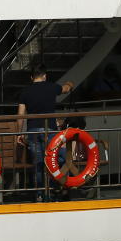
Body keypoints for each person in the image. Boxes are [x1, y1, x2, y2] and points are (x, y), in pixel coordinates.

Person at [16, 65, 73, 200]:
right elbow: (65, 89)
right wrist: (70, 84)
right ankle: (53, 189)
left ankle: (40, 194)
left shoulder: (25, 92)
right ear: (45, 76)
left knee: (38, 164)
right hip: (50, 130)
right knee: (54, 160)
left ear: (31, 77)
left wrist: (19, 133)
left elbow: (20, 115)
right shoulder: (52, 87)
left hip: (33, 132)